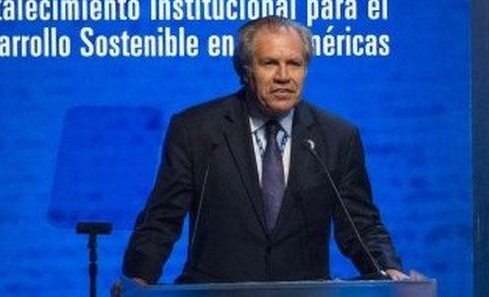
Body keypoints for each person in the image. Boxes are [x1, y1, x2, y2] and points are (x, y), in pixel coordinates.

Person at [122, 16, 407, 284]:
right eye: (270, 63)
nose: (284, 76)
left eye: (294, 64)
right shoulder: (196, 130)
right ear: (245, 71)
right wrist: (138, 278)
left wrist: (390, 271)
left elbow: (361, 225)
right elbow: (162, 220)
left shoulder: (337, 137)